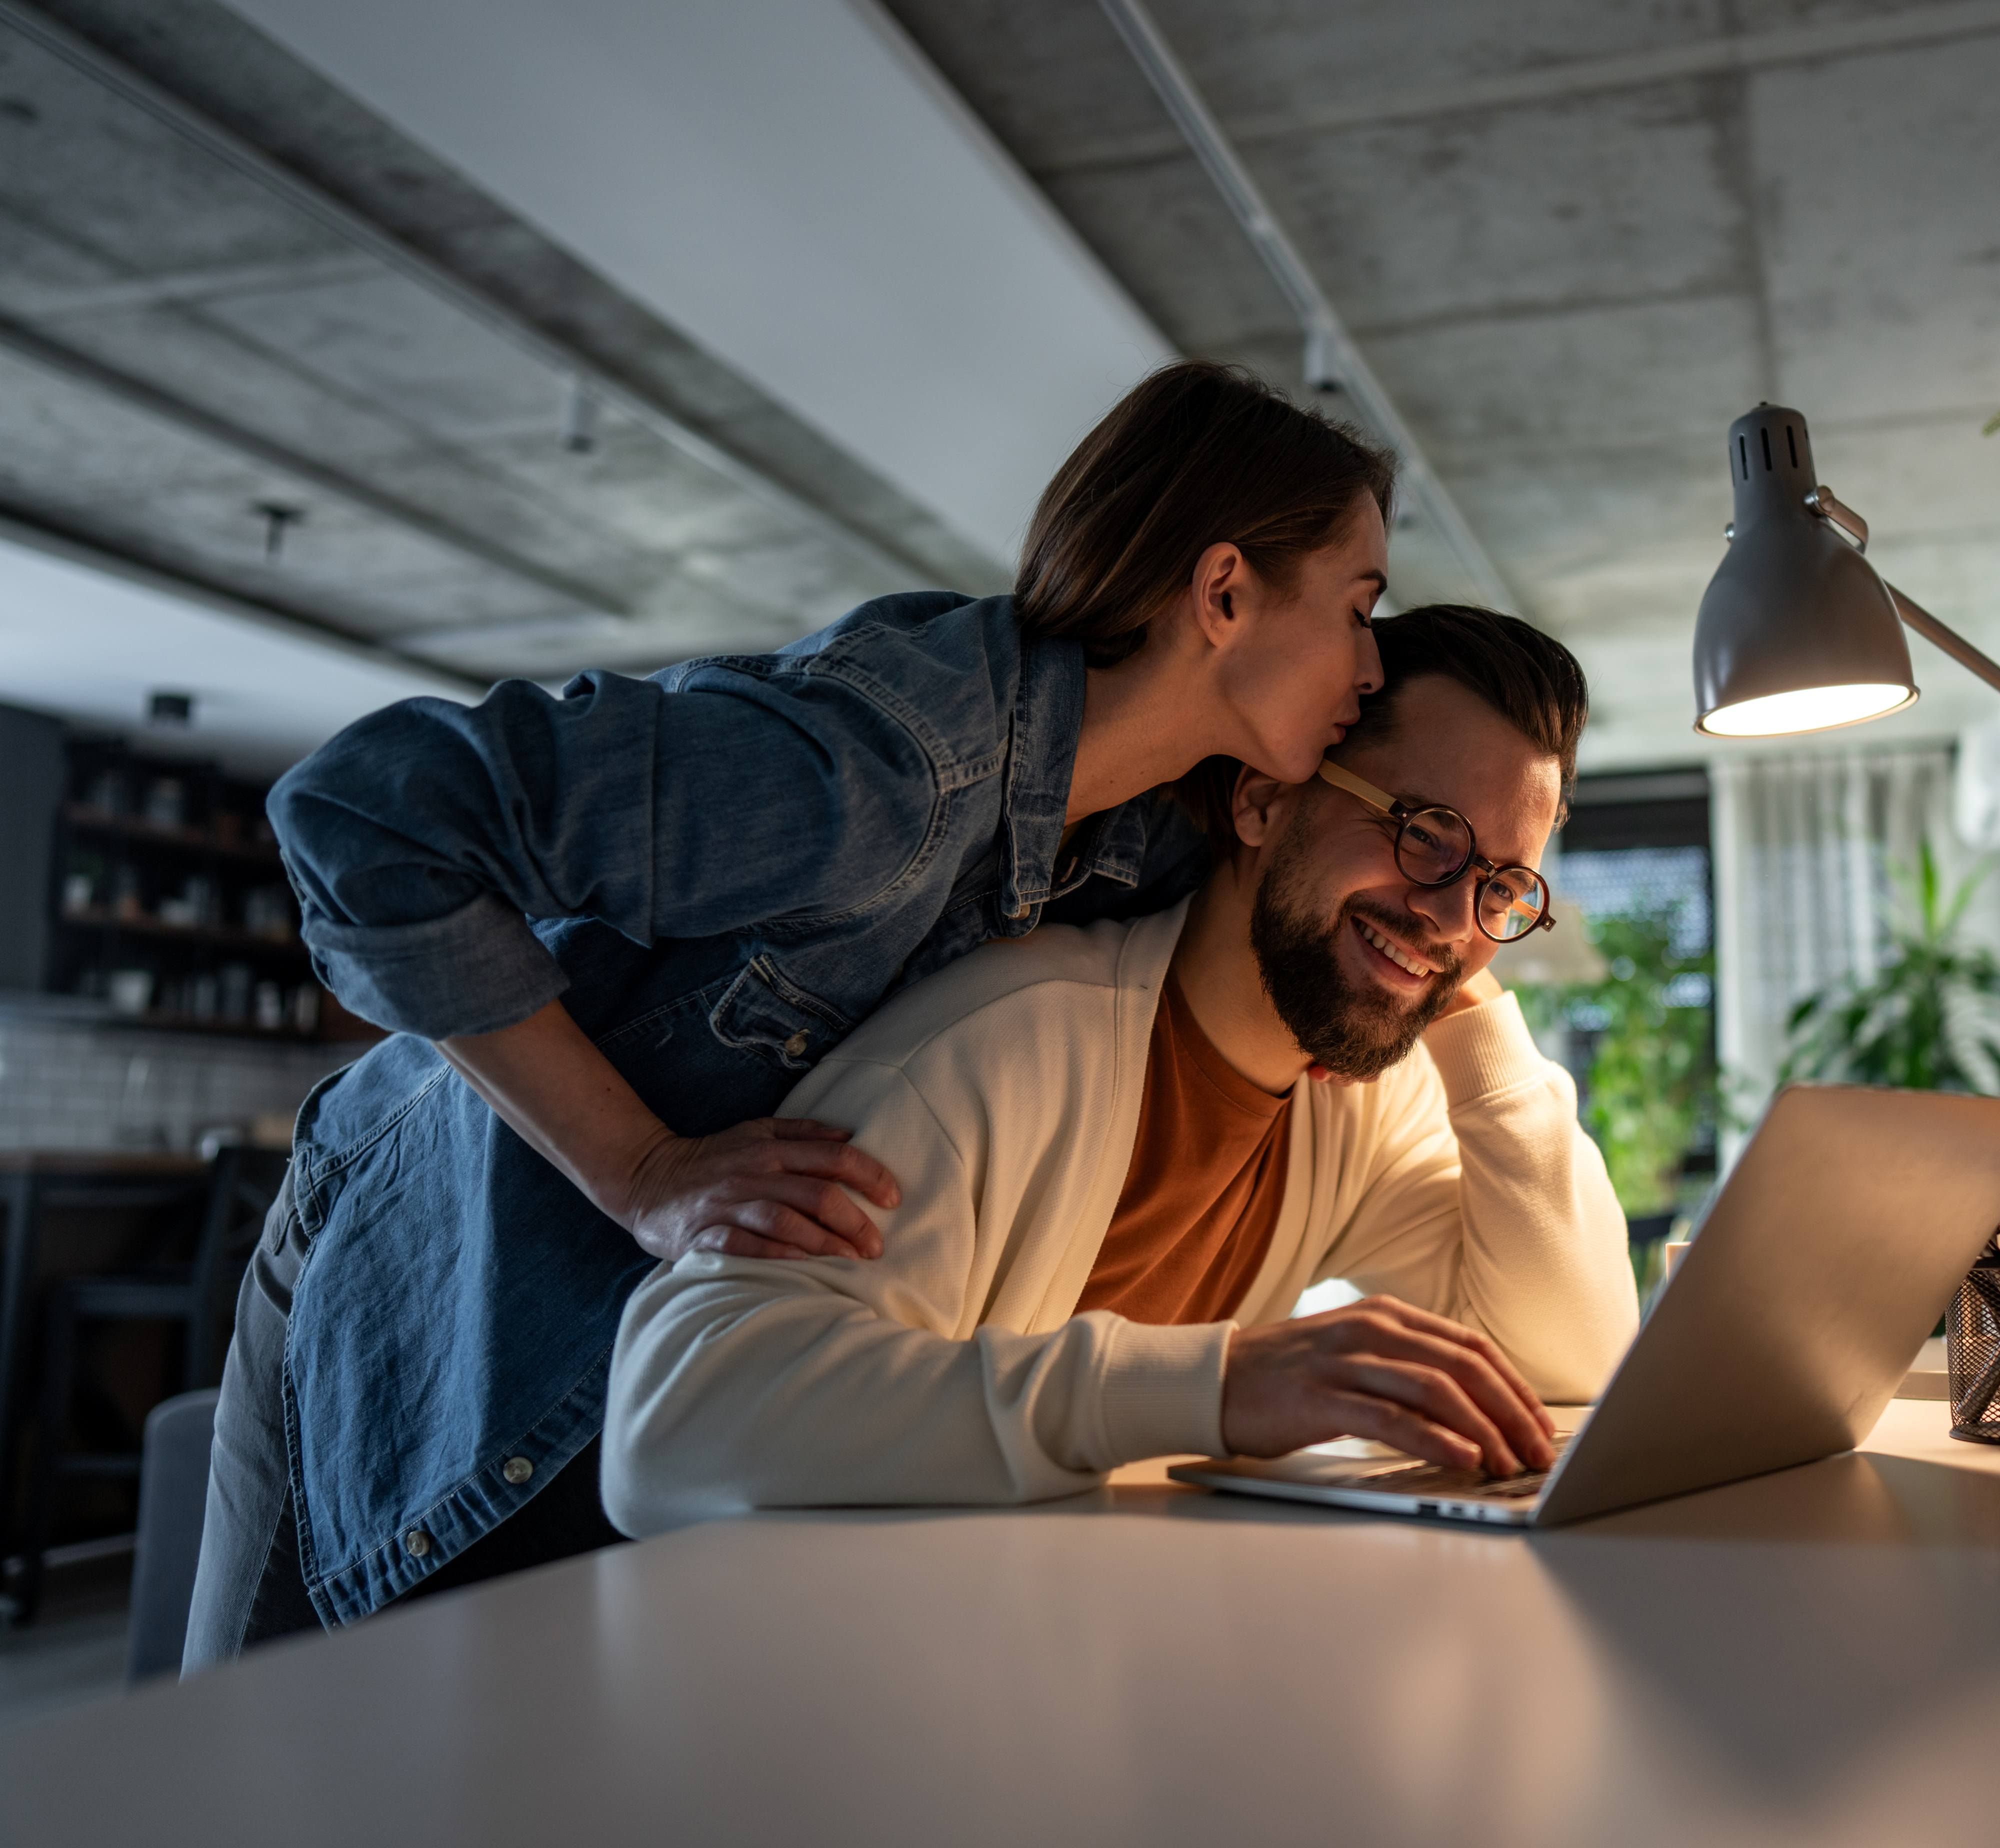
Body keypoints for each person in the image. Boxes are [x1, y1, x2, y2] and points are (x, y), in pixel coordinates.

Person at [186, 364, 1398, 1666]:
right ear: (1224, 593)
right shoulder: (874, 774)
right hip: (420, 1255)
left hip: (645, 1339)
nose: (1374, 665)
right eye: (1359, 606)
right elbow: (359, 815)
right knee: (248, 1750)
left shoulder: (1142, 836)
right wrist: (643, 1169)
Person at [602, 607, 1637, 1528]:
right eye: (1427, 834)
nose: (1455, 913)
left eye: (1504, 889)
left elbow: (1574, 1359)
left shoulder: (1365, 1116)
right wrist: (1213, 1388)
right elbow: (670, 1431)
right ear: (1265, 800)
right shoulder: (1011, 1048)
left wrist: (1467, 1010)